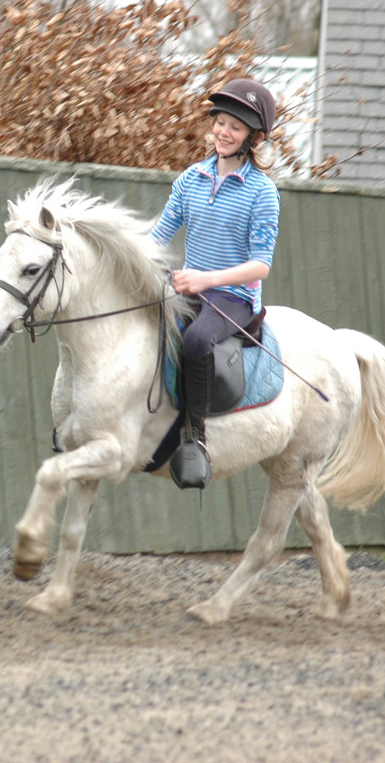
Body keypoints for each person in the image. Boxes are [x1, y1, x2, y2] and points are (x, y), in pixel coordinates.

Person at [149, 78, 280, 489]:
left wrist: (208, 278)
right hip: (190, 287)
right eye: (220, 123)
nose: (223, 132)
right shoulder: (190, 179)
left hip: (234, 297)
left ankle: (196, 441)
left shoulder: (263, 193)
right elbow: (159, 235)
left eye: (234, 127)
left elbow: (261, 266)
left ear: (252, 138)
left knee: (195, 341)